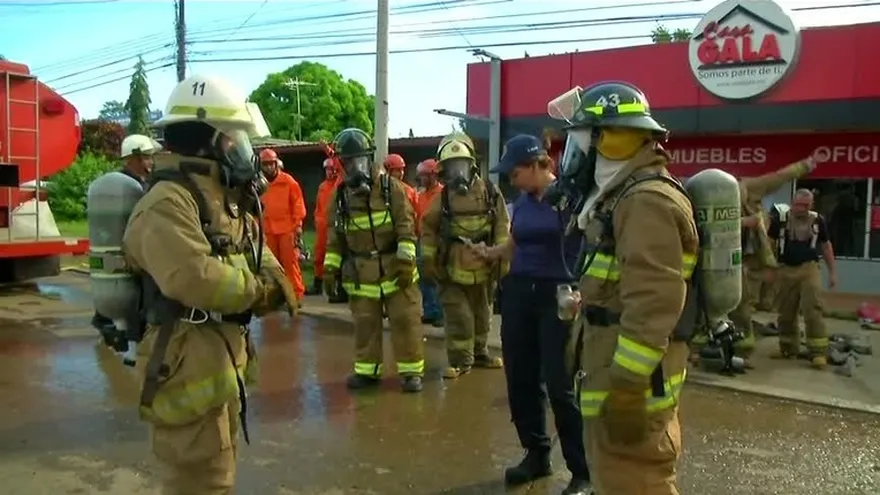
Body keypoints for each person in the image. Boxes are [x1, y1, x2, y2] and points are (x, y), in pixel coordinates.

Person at [122, 74, 298, 494]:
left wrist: (270, 285)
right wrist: (261, 292)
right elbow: (195, 278)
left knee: (219, 476)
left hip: (218, 364)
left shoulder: (224, 200)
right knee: (200, 484)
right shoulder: (167, 201)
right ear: (209, 139)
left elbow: (269, 265)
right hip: (184, 368)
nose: (243, 150)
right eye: (234, 138)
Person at [550, 81, 697, 493]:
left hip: (633, 385)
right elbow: (625, 284)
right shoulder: (625, 198)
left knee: (636, 481)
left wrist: (629, 389)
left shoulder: (644, 202)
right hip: (614, 374)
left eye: (579, 144)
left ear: (609, 141)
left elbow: (653, 304)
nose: (573, 158)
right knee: (615, 478)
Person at [473, 133, 591, 495]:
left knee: (560, 385)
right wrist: (489, 253)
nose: (510, 178)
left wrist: (585, 289)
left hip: (559, 297)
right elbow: (516, 244)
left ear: (539, 165)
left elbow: (591, 244)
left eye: (515, 171)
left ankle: (582, 470)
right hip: (520, 293)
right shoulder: (521, 202)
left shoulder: (571, 200)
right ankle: (537, 453)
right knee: (521, 380)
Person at [322, 128, 425, 393]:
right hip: (361, 273)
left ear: (371, 159)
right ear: (343, 165)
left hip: (395, 269)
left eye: (362, 161)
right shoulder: (341, 197)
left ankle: (411, 372)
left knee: (405, 320)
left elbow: (406, 228)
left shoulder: (393, 190)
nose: (358, 168)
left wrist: (406, 264)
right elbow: (335, 236)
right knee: (365, 324)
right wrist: (330, 270)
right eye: (351, 162)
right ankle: (368, 372)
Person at [421, 132, 507, 380]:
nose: (457, 173)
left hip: (484, 265)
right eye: (451, 168)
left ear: (472, 165)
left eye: (461, 166)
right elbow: (428, 228)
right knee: (459, 317)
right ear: (443, 171)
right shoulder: (443, 198)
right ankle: (460, 361)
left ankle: (480, 354)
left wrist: (502, 255)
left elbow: (502, 223)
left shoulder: (490, 192)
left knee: (482, 316)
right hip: (451, 268)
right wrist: (428, 259)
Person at [718, 157, 817, 361]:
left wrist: (807, 164)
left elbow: (778, 177)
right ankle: (723, 340)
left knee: (744, 301)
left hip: (748, 257)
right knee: (725, 301)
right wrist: (744, 222)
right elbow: (712, 226)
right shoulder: (710, 198)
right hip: (720, 257)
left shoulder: (747, 188)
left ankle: (742, 344)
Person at [91, 133, 161, 340]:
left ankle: (107, 321)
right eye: (147, 157)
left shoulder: (120, 185)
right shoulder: (129, 187)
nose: (151, 162)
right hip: (131, 255)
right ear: (134, 158)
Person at [768, 189, 837, 369]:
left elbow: (826, 246)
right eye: (798, 204)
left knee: (812, 308)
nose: (801, 209)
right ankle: (788, 348)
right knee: (785, 311)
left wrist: (832, 273)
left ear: (811, 205)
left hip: (809, 268)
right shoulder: (780, 220)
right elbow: (768, 245)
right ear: (792, 202)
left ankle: (818, 353)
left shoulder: (817, 220)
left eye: (805, 205)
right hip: (785, 269)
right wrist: (769, 268)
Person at [259, 148, 307, 302]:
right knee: (271, 267)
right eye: (265, 165)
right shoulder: (259, 184)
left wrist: (298, 224)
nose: (268, 168)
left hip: (287, 229)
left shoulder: (288, 182)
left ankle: (296, 296)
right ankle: (276, 298)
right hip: (268, 230)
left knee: (290, 263)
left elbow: (298, 204)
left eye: (271, 164)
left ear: (276, 164)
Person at [309, 157, 347, 301]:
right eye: (327, 170)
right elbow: (319, 207)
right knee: (319, 255)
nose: (329, 172)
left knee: (336, 258)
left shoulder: (339, 185)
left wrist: (331, 153)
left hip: (334, 227)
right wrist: (318, 220)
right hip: (322, 227)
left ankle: (338, 288)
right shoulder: (322, 186)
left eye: (332, 169)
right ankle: (317, 284)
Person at [416, 158, 444, 326]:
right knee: (424, 277)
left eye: (423, 175)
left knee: (437, 277)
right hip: (421, 240)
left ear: (433, 175)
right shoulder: (420, 195)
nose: (420, 179)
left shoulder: (442, 194)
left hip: (437, 241)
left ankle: (440, 313)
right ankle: (429, 311)